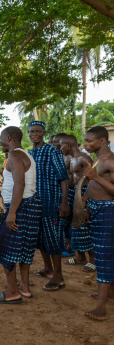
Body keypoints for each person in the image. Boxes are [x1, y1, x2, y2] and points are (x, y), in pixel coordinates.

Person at [0, 127, 41, 303]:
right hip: (29, 206)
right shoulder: (25, 155)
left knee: (6, 248)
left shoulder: (15, 156)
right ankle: (24, 288)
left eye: (1, 138)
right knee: (24, 249)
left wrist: (12, 213)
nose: (0, 142)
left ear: (9, 138)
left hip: (20, 208)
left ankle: (12, 292)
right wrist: (1, 193)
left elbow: (20, 184)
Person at [28, 121, 69, 292]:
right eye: (32, 131)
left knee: (53, 239)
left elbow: (64, 178)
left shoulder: (52, 151)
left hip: (51, 202)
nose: (34, 134)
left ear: (44, 133)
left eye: (38, 131)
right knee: (40, 239)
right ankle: (48, 268)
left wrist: (64, 202)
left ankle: (58, 277)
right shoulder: (29, 153)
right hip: (35, 203)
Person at [82, 126, 114, 321]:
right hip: (95, 210)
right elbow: (92, 185)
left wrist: (94, 177)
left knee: (104, 258)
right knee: (105, 254)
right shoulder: (97, 160)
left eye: (89, 141)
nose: (86, 144)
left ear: (102, 141)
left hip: (107, 211)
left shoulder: (110, 160)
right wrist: (86, 205)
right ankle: (109, 295)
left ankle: (101, 308)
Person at [60, 135, 95, 271]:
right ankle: (81, 257)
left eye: (62, 145)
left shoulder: (83, 158)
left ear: (69, 144)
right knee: (76, 226)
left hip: (85, 192)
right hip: (76, 192)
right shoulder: (72, 159)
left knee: (85, 226)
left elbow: (93, 178)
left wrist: (86, 197)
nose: (60, 148)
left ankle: (92, 260)